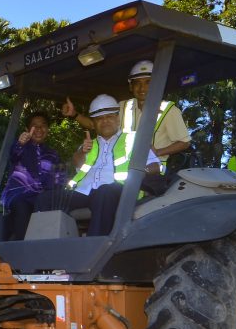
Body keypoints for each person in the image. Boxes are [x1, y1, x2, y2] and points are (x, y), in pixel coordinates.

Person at [37, 94, 161, 236]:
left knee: (104, 192)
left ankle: (94, 244)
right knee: (45, 199)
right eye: (99, 118)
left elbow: (156, 166)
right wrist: (82, 152)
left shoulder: (134, 139)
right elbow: (77, 163)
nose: (105, 121)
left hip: (120, 192)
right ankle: (42, 244)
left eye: (109, 116)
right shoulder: (90, 144)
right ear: (94, 123)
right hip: (84, 192)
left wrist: (139, 171)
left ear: (117, 118)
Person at [62, 60, 191, 173]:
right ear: (130, 86)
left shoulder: (169, 111)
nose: (142, 88)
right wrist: (74, 115)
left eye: (148, 82)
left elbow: (184, 143)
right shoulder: (122, 106)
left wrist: (157, 152)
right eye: (137, 83)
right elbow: (96, 125)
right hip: (122, 170)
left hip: (152, 172)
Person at [0, 112, 63, 240]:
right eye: (34, 125)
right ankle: (22, 246)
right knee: (22, 207)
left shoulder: (53, 154)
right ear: (27, 129)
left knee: (55, 212)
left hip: (41, 199)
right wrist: (20, 143)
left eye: (43, 125)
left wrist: (56, 196)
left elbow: (58, 180)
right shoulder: (20, 146)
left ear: (48, 129)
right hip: (19, 195)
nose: (39, 129)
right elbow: (14, 155)